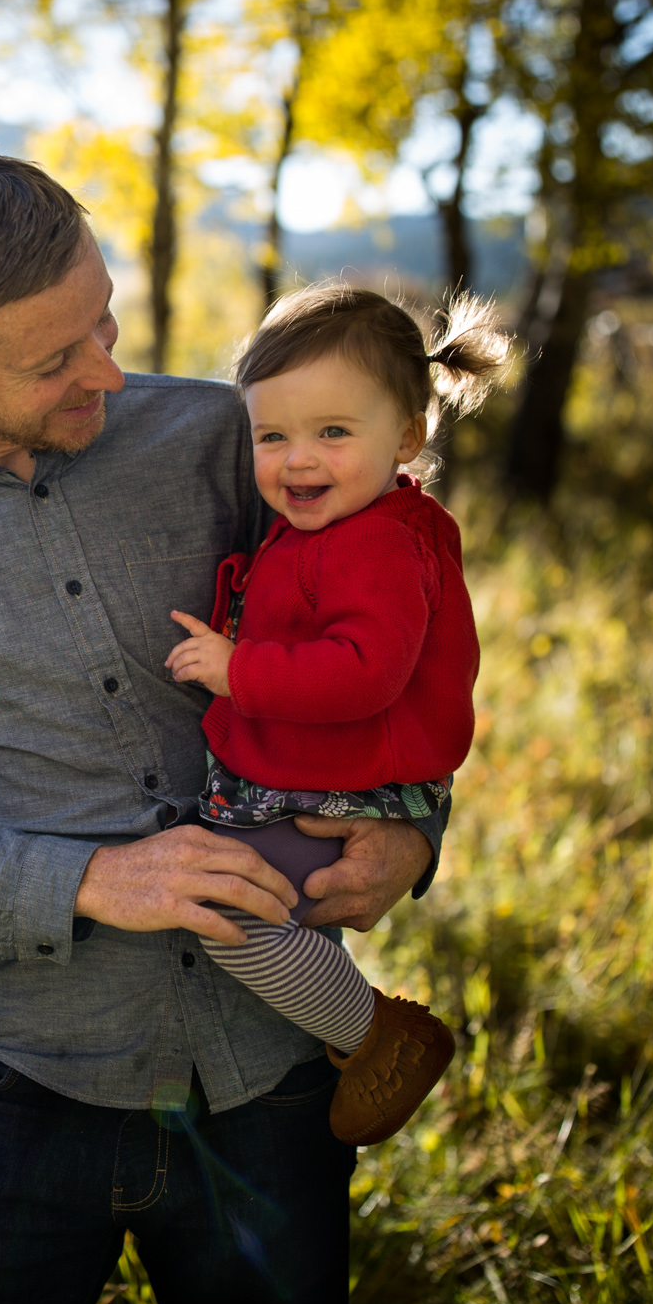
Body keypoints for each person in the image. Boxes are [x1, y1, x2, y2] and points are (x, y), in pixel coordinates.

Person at [0, 153, 452, 1304]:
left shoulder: (222, 438)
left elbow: (401, 643)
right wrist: (88, 880)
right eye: (55, 361)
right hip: (14, 1082)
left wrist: (417, 833)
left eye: (106, 323)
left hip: (272, 1071)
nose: (110, 373)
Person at [162, 283, 510, 1147]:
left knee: (232, 909)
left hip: (357, 777)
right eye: (271, 436)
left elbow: (364, 673)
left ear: (407, 437)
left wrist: (239, 671)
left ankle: (376, 1035)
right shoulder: (336, 521)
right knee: (242, 892)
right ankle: (348, 1024)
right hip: (331, 769)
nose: (296, 459)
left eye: (332, 432)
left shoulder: (380, 540)